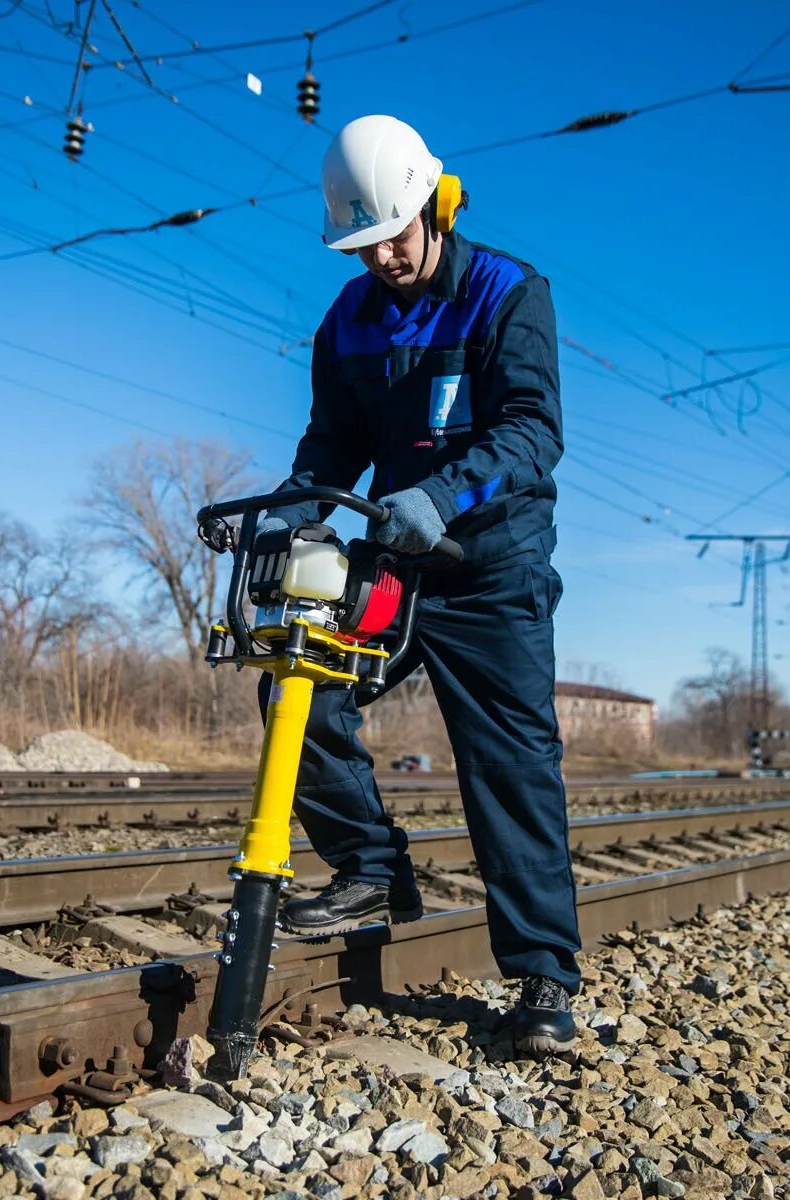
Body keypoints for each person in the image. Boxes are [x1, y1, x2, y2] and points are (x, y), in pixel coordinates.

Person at [258, 114, 580, 1055]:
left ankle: (544, 982)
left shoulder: (507, 292)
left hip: (490, 570)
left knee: (511, 769)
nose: (385, 256)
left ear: (436, 207)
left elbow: (531, 430)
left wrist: (443, 497)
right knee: (298, 688)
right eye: (363, 244)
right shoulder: (348, 319)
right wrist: (298, 504)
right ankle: (369, 866)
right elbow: (334, 440)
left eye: (396, 234)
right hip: (398, 564)